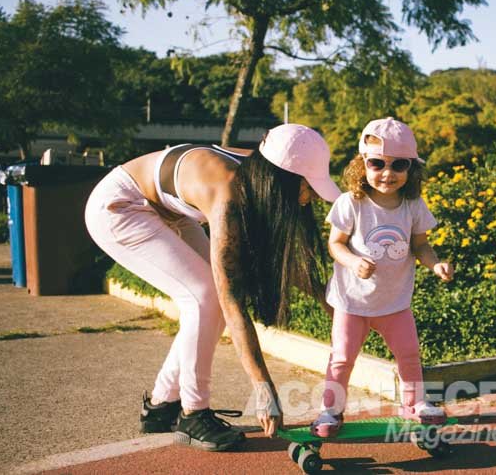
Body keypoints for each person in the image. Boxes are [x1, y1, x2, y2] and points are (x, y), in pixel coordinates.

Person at [84, 124, 340, 451]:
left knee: (205, 298)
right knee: (204, 297)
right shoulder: (229, 194)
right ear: (282, 178)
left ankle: (163, 406)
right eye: (306, 187)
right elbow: (230, 299)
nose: (309, 198)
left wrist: (325, 297)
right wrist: (264, 388)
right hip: (121, 206)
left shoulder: (263, 168)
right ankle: (193, 413)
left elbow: (272, 256)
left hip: (171, 212)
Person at [310, 117, 454, 438]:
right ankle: (331, 410)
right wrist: (352, 261)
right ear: (363, 165)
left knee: (409, 354)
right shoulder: (351, 203)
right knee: (342, 358)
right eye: (377, 163)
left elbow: (421, 246)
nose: (387, 173)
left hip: (394, 302)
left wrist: (435, 265)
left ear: (411, 169)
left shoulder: (413, 205)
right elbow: (335, 244)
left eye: (399, 165)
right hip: (352, 302)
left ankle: (414, 404)